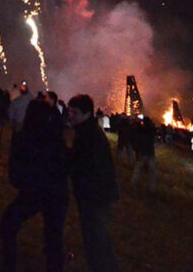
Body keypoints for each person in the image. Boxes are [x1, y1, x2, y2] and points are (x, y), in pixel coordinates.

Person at [1, 99, 69, 272]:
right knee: (54, 236)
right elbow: (65, 166)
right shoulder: (56, 138)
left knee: (8, 223)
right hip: (56, 192)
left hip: (32, 192)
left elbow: (14, 176)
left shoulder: (23, 138)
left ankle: (9, 264)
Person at [66, 94, 120, 271]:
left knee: (96, 241)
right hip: (96, 194)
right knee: (98, 240)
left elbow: (89, 167)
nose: (70, 116)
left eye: (74, 112)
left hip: (95, 196)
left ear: (87, 113)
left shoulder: (89, 136)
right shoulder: (87, 132)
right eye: (69, 111)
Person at [130, 115, 157, 192]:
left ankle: (134, 183)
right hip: (150, 152)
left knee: (138, 169)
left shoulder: (140, 130)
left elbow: (136, 139)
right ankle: (151, 188)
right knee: (152, 171)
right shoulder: (151, 130)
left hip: (142, 152)